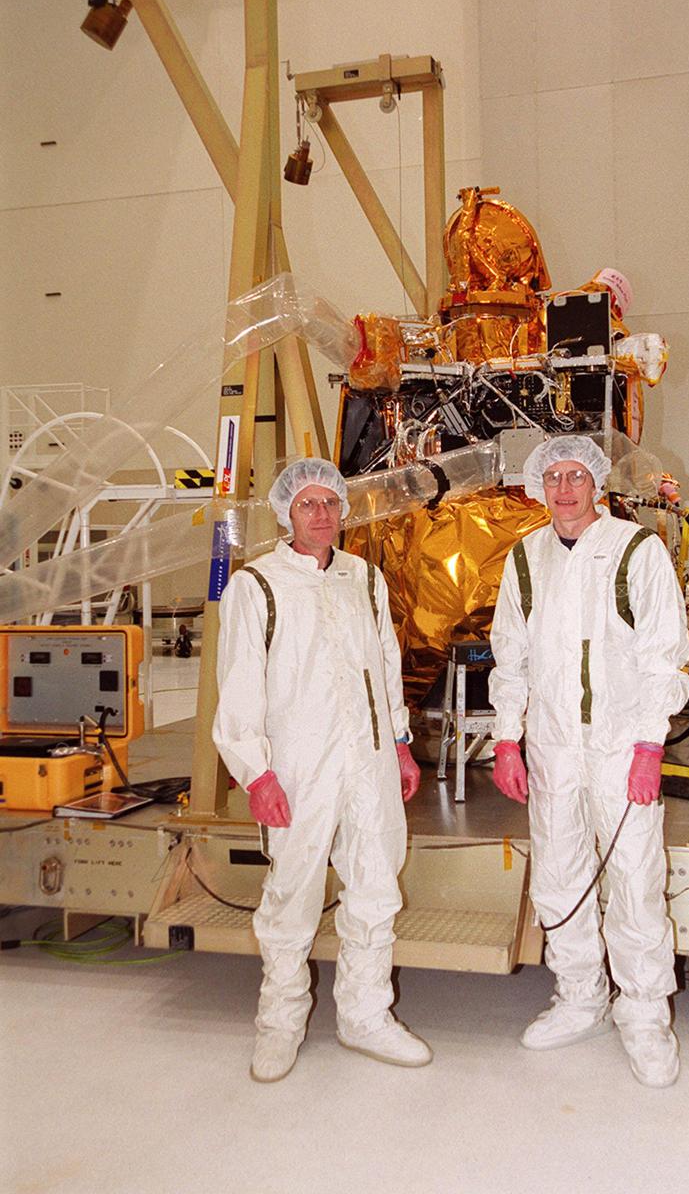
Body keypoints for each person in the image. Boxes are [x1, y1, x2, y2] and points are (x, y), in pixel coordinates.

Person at [213, 457, 431, 1082]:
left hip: (367, 762)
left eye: (330, 503)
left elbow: (385, 668)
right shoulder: (257, 587)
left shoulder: (363, 579)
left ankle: (366, 1015)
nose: (320, 514)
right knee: (292, 896)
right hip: (298, 767)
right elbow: (240, 689)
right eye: (307, 503)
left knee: (375, 885)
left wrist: (399, 745)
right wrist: (256, 774)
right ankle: (279, 1022)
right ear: (286, 512)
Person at [488, 435, 689, 1087]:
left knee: (633, 877)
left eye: (576, 475)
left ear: (596, 482)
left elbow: (665, 657)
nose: (566, 488)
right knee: (560, 876)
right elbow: (510, 659)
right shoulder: (525, 560)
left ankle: (645, 1014)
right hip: (551, 749)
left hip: (620, 747)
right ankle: (581, 997)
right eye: (554, 478)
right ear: (538, 487)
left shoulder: (637, 552)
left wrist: (648, 745)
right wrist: (508, 739)